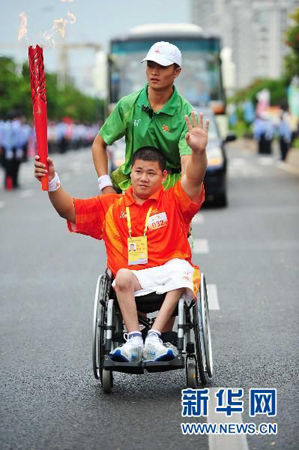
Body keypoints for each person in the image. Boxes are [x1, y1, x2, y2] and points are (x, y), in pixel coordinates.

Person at [34, 112, 209, 363]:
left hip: (168, 275)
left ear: (163, 177)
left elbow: (194, 178)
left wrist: (199, 153)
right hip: (132, 281)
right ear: (130, 174)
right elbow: (68, 209)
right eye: (138, 171)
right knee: (123, 275)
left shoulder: (174, 200)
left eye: (151, 173)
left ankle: (156, 337)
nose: (143, 178)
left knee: (183, 269)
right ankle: (135, 339)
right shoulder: (112, 206)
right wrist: (51, 181)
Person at [92, 41, 197, 194]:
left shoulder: (186, 114)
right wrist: (106, 186)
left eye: (162, 66)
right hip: (131, 191)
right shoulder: (128, 105)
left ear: (177, 72)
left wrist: (182, 196)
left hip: (169, 193)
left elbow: (187, 165)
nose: (154, 72)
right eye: (150, 65)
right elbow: (98, 144)